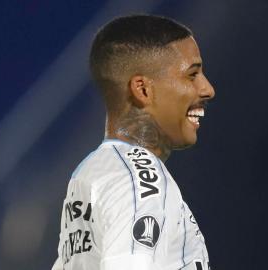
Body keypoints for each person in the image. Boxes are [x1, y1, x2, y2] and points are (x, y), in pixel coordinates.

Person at [52, 14, 215, 270]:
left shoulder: (92, 171)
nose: (208, 89)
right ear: (143, 90)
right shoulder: (142, 180)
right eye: (192, 75)